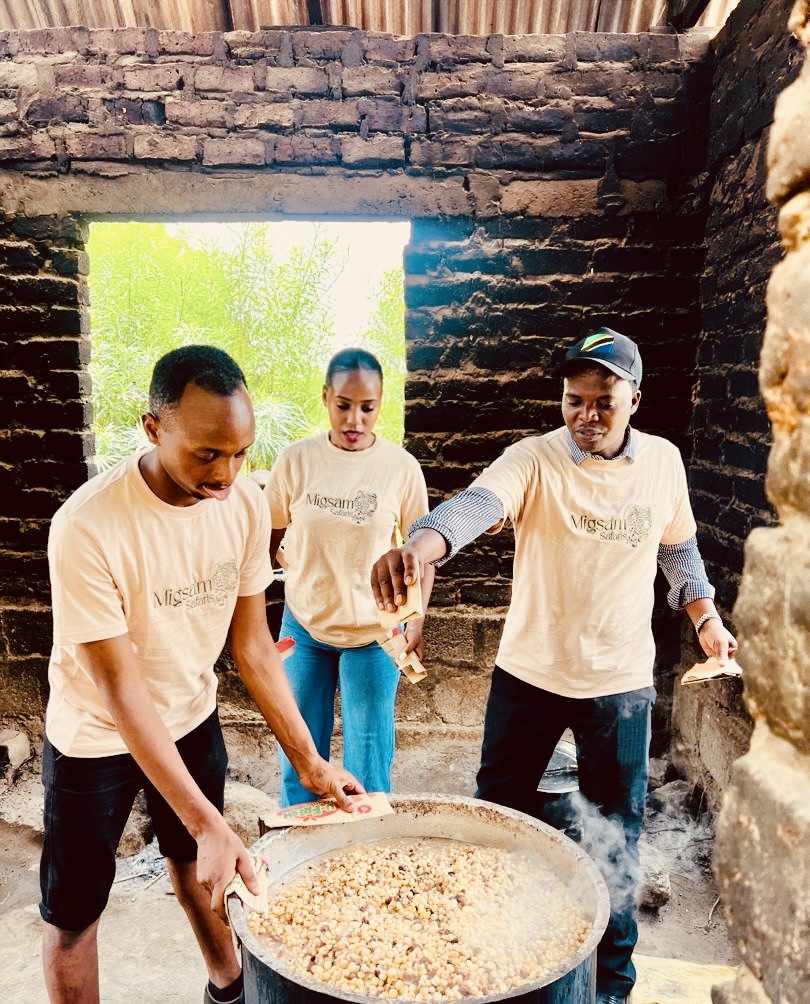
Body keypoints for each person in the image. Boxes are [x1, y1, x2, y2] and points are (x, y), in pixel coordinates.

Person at [369, 327, 737, 1004]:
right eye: (574, 400)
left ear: (634, 399)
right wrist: (422, 546)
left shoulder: (662, 464)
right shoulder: (534, 459)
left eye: (603, 401)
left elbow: (679, 552)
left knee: (616, 839)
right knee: (495, 821)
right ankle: (488, 956)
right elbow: (477, 505)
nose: (586, 415)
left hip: (620, 685)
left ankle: (610, 984)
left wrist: (706, 619)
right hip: (529, 677)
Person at [41, 345, 362, 1004]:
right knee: (74, 913)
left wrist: (310, 762)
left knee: (199, 868)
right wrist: (210, 822)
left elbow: (253, 646)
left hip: (190, 714)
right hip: (95, 736)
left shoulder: (243, 504)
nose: (226, 474)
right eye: (207, 454)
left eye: (240, 453)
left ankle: (229, 989)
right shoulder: (87, 528)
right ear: (152, 428)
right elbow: (121, 689)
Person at [263, 347, 434, 807]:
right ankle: (300, 840)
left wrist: (416, 619)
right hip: (304, 628)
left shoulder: (400, 468)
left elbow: (423, 553)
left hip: (375, 633)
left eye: (367, 408)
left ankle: (364, 842)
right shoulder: (296, 461)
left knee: (369, 766)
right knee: (300, 759)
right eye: (343, 405)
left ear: (381, 404)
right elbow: (268, 533)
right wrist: (282, 559)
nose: (354, 420)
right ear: (325, 398)